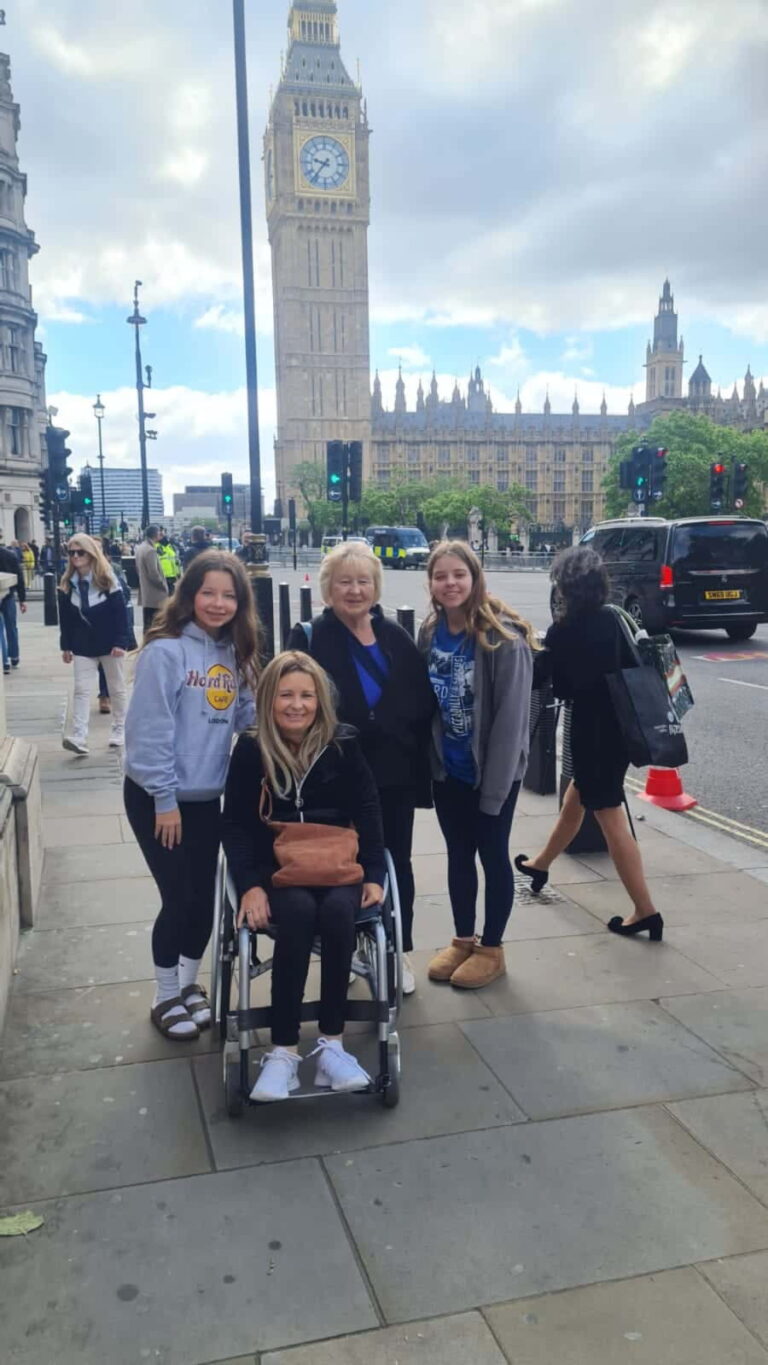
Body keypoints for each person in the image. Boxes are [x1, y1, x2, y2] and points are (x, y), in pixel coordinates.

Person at [222, 651, 386, 1102]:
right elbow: (235, 824)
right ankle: (284, 1052)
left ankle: (332, 1046)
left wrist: (374, 872)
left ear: (321, 700)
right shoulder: (252, 749)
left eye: (307, 695)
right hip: (275, 868)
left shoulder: (343, 744)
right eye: (287, 695)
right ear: (269, 699)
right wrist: (251, 886)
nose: (297, 705)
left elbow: (369, 809)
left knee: (337, 914)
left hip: (337, 863)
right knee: (295, 914)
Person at [287, 542, 435, 996]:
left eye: (364, 581)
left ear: (376, 587)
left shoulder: (395, 637)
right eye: (345, 581)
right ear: (328, 589)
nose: (355, 590)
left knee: (396, 865)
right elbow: (292, 703)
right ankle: (347, 944)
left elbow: (421, 699)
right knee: (342, 865)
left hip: (393, 777)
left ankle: (398, 950)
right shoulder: (310, 637)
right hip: (334, 778)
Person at [124, 551, 260, 1040]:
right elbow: (149, 732)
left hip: (207, 798)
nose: (218, 604)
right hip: (159, 798)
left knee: (203, 900)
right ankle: (163, 996)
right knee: (177, 898)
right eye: (208, 593)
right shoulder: (166, 651)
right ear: (189, 594)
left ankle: (187, 985)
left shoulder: (234, 652)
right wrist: (164, 798)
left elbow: (246, 717)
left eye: (229, 595)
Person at [516, 546, 664, 940]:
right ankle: (541, 863)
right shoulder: (613, 620)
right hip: (620, 729)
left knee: (611, 819)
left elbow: (562, 687)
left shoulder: (566, 631)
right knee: (576, 798)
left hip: (591, 732)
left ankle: (645, 911)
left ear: (566, 587)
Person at [418, 541, 535, 989]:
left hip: (492, 774)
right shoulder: (430, 632)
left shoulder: (502, 637)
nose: (450, 583)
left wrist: (494, 792)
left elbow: (511, 724)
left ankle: (492, 949)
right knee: (458, 856)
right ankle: (464, 939)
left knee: (492, 855)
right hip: (449, 771)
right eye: (441, 576)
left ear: (474, 577)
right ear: (431, 583)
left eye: (458, 575)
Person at [58, 534, 130, 756]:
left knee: (116, 687)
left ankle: (120, 728)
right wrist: (66, 646)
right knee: (81, 689)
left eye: (81, 552)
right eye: (71, 553)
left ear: (91, 554)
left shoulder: (108, 580)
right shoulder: (66, 585)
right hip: (83, 645)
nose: (76, 557)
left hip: (110, 643)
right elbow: (66, 620)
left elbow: (121, 614)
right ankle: (79, 735)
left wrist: (121, 641)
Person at [0, 537, 28, 674]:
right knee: (11, 627)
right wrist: (22, 599)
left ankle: (4, 661)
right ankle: (14, 656)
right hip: (8, 595)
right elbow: (19, 578)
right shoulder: (9, 555)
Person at [134, 525, 168, 632]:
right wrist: (163, 585)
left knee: (148, 624)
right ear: (155, 534)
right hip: (155, 594)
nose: (161, 535)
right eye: (159, 533)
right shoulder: (150, 551)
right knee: (156, 624)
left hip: (146, 592)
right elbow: (153, 573)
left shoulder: (141, 548)